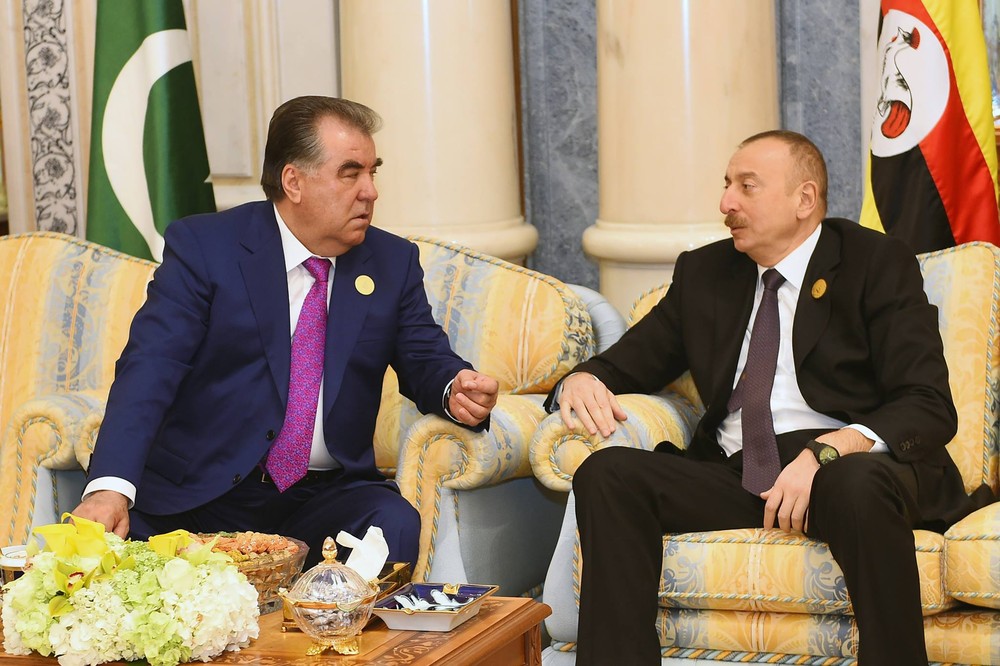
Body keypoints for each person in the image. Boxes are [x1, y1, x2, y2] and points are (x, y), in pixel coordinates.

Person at [549, 130, 994, 664]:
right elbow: (628, 361)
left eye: (747, 186)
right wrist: (583, 377)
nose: (726, 203)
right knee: (607, 474)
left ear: (804, 199)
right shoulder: (705, 273)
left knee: (854, 483)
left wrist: (827, 451)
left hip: (850, 467)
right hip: (743, 471)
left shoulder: (875, 262)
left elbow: (926, 401)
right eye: (726, 185)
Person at [72, 96, 499, 568]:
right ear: (293, 181)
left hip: (320, 498)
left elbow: (424, 356)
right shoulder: (208, 248)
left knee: (392, 522)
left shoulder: (390, 263)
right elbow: (150, 368)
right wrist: (109, 488)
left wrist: (454, 388)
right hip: (201, 494)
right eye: (350, 173)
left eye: (373, 172)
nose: (370, 191)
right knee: (120, 560)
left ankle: (340, 620)